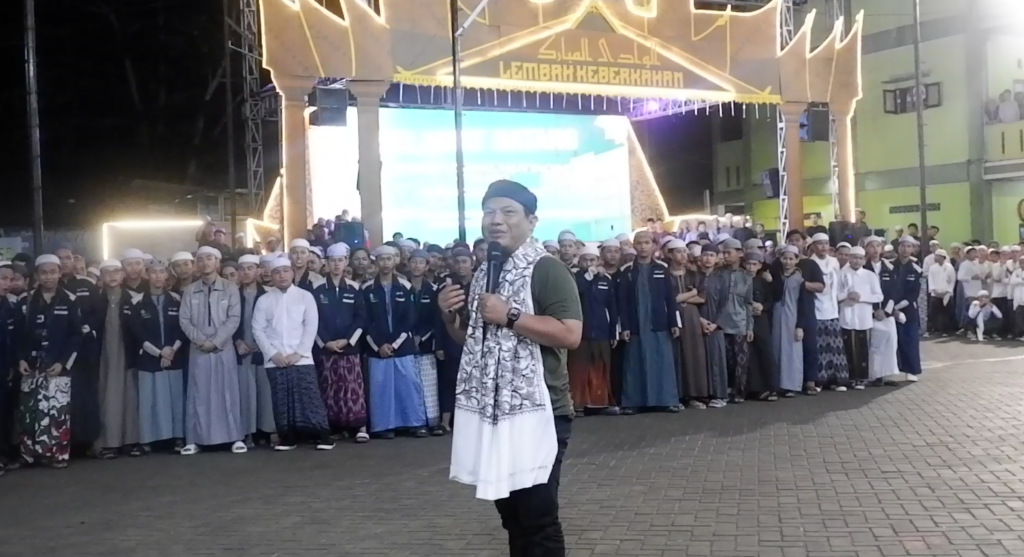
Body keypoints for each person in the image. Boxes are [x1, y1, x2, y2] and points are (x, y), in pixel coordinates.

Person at [440, 180, 581, 555]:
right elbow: (474, 342)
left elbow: (570, 334)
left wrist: (510, 315)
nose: (496, 220)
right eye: (489, 212)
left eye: (507, 212)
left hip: (540, 410)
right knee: (512, 515)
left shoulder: (547, 269)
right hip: (494, 411)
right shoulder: (486, 272)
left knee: (537, 517)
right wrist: (449, 317)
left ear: (531, 221)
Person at [252, 258, 334, 451]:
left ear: (292, 273)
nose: (282, 275)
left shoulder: (305, 296)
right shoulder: (264, 300)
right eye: (277, 272)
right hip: (275, 358)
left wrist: (299, 353)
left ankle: (323, 436)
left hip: (302, 357)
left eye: (285, 271)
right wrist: (273, 354)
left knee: (309, 398)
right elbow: (258, 330)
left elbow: (311, 327)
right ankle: (288, 438)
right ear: (271, 276)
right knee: (281, 400)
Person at [178, 246, 246, 455]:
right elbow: (184, 320)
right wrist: (201, 340)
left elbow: (234, 318)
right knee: (198, 393)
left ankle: (235, 437)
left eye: (209, 258)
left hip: (223, 347)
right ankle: (194, 439)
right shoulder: (190, 290)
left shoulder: (230, 288)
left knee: (227, 391)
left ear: (217, 262)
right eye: (200, 259)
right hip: (198, 348)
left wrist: (216, 341)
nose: (205, 262)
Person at [15, 255, 81, 469]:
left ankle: (58, 455)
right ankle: (29, 455)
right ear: (36, 275)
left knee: (58, 413)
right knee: (30, 412)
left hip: (58, 365)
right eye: (44, 273)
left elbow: (76, 335)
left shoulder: (69, 300)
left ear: (60, 273)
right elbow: (17, 335)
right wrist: (20, 359)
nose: (49, 277)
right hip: (31, 365)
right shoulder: (25, 301)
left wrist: (63, 362)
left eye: (53, 272)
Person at [363, 245, 428, 439]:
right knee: (380, 386)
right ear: (376, 262)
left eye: (389, 259)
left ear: (395, 261)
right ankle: (383, 426)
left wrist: (395, 343)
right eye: (381, 259)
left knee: (408, 383)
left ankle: (415, 423)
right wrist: (379, 345)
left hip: (403, 345)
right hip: (377, 347)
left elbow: (410, 319)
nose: (385, 263)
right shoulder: (367, 288)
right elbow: (365, 320)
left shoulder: (405, 286)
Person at [617, 230, 681, 414]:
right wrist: (624, 326)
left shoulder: (662, 269)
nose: (643, 246)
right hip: (636, 325)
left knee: (663, 362)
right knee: (634, 364)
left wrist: (674, 323)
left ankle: (667, 400)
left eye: (647, 243)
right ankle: (633, 402)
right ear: (633, 245)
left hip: (658, 323)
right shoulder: (627, 271)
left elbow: (670, 298)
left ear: (653, 245)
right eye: (639, 243)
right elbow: (622, 301)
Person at [313, 243, 369, 442]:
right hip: (325, 348)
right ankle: (333, 427)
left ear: (346, 263)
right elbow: (313, 319)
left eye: (340, 260)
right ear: (326, 263)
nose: (336, 264)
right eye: (332, 261)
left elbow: (361, 318)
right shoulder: (317, 288)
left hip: (350, 347)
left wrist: (347, 340)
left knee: (354, 388)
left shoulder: (354, 288)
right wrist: (325, 342)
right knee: (329, 388)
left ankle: (360, 426)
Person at [131, 259, 186, 451]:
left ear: (167, 275)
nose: (157, 276)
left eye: (161, 272)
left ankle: (178, 437)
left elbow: (182, 328)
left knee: (176, 399)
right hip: (148, 358)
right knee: (148, 401)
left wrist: (171, 351)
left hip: (174, 357)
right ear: (147, 275)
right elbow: (137, 333)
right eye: (153, 272)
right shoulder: (137, 301)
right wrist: (159, 352)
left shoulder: (177, 300)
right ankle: (147, 440)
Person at [94, 259, 144, 459]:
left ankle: (131, 441)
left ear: (123, 275)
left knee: (130, 397)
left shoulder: (134, 299)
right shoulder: (94, 300)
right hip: (103, 357)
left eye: (116, 271)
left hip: (128, 355)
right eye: (107, 272)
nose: (112, 276)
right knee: (107, 396)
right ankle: (109, 442)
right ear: (101, 277)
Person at [568, 245, 617, 415]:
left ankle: (599, 404)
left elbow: (612, 307)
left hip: (601, 331)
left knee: (600, 369)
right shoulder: (574, 278)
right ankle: (578, 404)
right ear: (579, 261)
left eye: (592, 260)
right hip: (580, 331)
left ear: (598, 261)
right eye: (586, 260)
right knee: (578, 369)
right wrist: (588, 278)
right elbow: (578, 294)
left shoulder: (605, 279)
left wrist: (613, 331)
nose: (589, 263)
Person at [234, 254, 276, 448]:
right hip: (241, 350)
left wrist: (265, 342)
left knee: (266, 392)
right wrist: (236, 341)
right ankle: (247, 432)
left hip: (264, 349)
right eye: (242, 269)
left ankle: (269, 430)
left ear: (258, 270)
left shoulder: (269, 294)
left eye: (250, 268)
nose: (246, 272)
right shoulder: (233, 295)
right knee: (245, 393)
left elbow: (275, 322)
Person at [435, 246, 474, 434]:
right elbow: (438, 318)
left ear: (472, 263)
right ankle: (445, 421)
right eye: (457, 262)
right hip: (450, 338)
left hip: (474, 339)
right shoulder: (446, 286)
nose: (460, 266)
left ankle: (470, 421)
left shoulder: (481, 283)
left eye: (464, 262)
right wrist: (439, 345)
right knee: (449, 380)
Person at [667, 239, 708, 409]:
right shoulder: (665, 274)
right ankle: (675, 395)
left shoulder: (693, 274)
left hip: (691, 317)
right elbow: (669, 298)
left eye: (684, 251)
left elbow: (702, 297)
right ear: (670, 254)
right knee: (675, 354)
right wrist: (691, 293)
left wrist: (681, 298)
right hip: (672, 317)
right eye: (678, 252)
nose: (683, 255)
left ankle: (693, 395)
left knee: (693, 354)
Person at [836, 247, 883, 390]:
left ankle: (862, 378)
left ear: (864, 260)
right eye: (854, 257)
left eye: (860, 258)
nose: (857, 261)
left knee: (863, 349)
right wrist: (847, 295)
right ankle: (849, 378)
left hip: (864, 317)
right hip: (846, 316)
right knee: (848, 348)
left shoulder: (870, 275)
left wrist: (860, 297)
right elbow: (835, 295)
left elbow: (879, 296)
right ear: (849, 258)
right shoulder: (841, 274)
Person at [407, 249, 442, 431]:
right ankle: (414, 422)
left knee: (428, 384)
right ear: (408, 264)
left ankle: (432, 421)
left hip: (426, 342)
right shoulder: (401, 287)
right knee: (409, 384)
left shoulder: (434, 290)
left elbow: (435, 319)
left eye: (421, 262)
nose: (417, 266)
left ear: (427, 266)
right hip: (403, 342)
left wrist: (421, 336)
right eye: (414, 262)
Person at [808, 233, 849, 390]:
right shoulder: (809, 263)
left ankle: (837, 380)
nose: (824, 246)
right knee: (820, 346)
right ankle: (819, 381)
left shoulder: (834, 262)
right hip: (816, 309)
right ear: (813, 246)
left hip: (832, 309)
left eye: (826, 243)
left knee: (834, 346)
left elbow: (837, 286)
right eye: (820, 243)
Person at [716, 238, 753, 403]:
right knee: (725, 359)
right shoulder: (718, 273)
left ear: (740, 253)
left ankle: (739, 392)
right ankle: (725, 390)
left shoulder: (746, 276)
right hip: (720, 322)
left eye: (729, 253)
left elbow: (748, 303)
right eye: (724, 253)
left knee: (741, 360)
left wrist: (750, 327)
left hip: (740, 323)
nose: (725, 256)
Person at [743, 251, 778, 400]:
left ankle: (771, 387)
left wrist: (762, 307)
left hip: (760, 319)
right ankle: (754, 388)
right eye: (748, 264)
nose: (751, 267)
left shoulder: (762, 282)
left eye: (754, 264)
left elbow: (771, 300)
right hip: (743, 319)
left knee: (765, 351)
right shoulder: (739, 280)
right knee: (749, 354)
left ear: (759, 266)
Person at [772, 246, 806, 397]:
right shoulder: (776, 277)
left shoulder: (800, 280)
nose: (787, 262)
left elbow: (804, 305)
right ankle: (777, 384)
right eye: (785, 258)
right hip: (776, 318)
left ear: (797, 260)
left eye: (791, 259)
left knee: (792, 352)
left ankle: (792, 385)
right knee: (776, 350)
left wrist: (800, 326)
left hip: (792, 319)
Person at [893, 236, 923, 383]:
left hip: (908, 309)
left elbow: (913, 294)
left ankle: (911, 370)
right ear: (898, 248)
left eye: (909, 246)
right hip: (889, 309)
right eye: (903, 246)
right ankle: (889, 370)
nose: (905, 249)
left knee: (910, 340)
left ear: (913, 249)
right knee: (891, 341)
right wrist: (890, 308)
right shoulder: (889, 266)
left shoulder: (916, 269)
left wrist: (897, 307)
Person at [926, 249, 955, 336]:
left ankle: (946, 330)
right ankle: (931, 330)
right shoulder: (932, 267)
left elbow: (952, 280)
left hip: (946, 293)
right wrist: (934, 290)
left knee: (946, 313)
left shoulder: (949, 267)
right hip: (935, 293)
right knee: (933, 313)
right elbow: (930, 279)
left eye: (937, 256)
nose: (935, 258)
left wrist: (948, 291)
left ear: (943, 257)